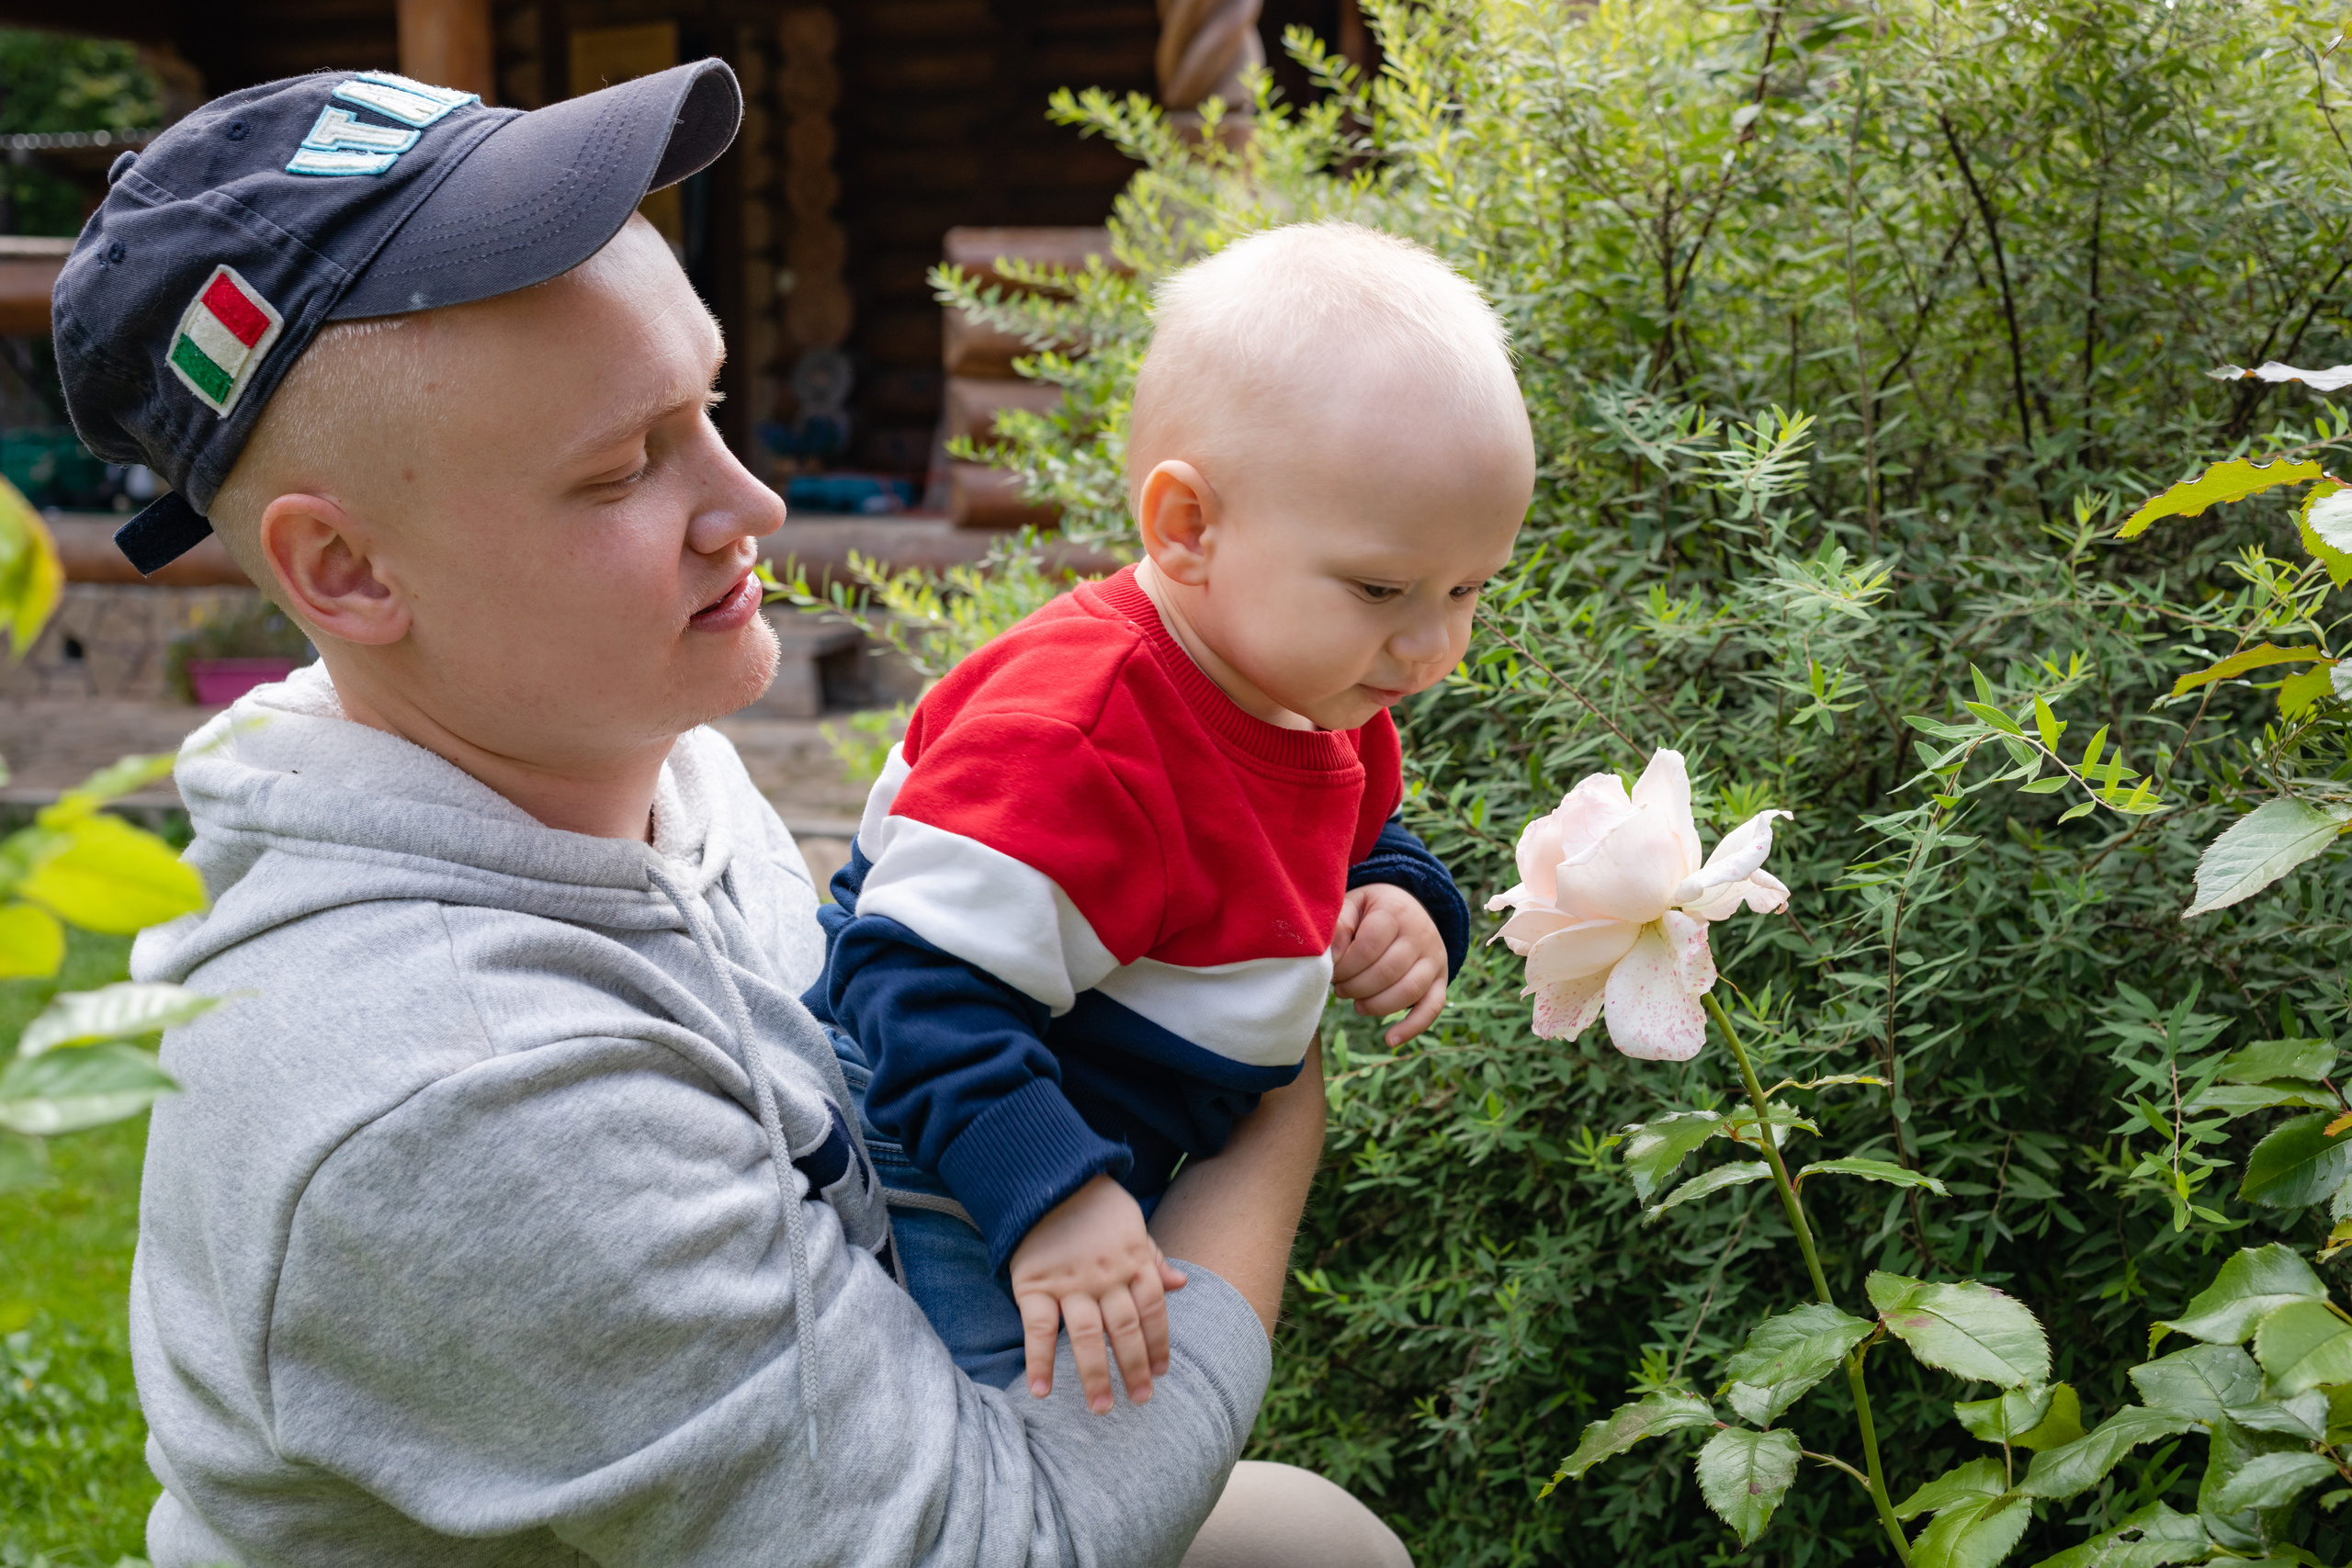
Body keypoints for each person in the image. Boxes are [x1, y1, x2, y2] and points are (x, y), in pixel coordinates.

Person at [57, 62, 1409, 1566]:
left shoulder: (623, 761)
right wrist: (1269, 1097)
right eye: (623, 466)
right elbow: (1006, 1546)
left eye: (703, 404)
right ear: (351, 574)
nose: (752, 502)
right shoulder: (462, 1097)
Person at [808, 222, 1537, 1411]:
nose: (1433, 645)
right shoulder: (1076, 734)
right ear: (1188, 529)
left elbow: (1352, 837)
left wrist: (1405, 899)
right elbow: (911, 984)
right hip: (939, 1153)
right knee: (1009, 1436)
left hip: (1087, 1134)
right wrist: (1051, 1194)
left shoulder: (1315, 689)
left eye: (1468, 590)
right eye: (1381, 589)